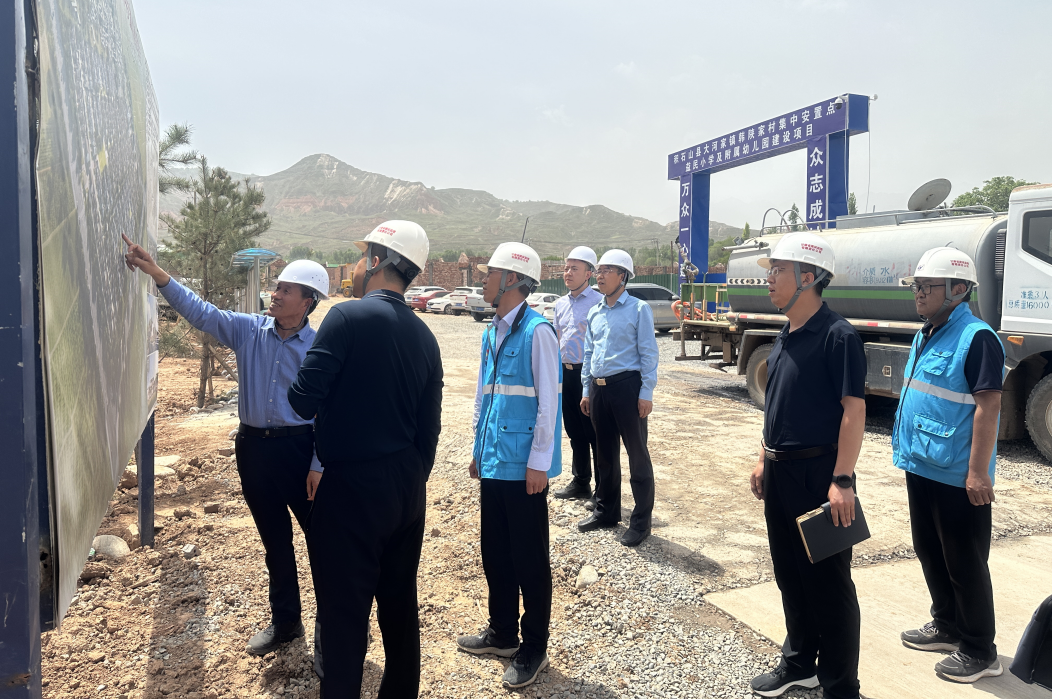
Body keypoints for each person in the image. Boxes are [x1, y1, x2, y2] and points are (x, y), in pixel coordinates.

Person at [122, 235, 329, 657]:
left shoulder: (320, 347)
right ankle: (286, 622)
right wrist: (157, 272)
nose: (276, 293)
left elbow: (329, 411)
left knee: (323, 542)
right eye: (277, 287)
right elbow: (201, 312)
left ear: (307, 301)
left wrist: (318, 463)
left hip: (299, 450)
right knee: (275, 541)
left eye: (286, 290)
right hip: (254, 450)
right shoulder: (248, 330)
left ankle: (333, 629)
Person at [287, 220, 443, 698]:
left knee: (344, 614)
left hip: (351, 487)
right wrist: (410, 478)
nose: (355, 267)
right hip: (406, 487)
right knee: (399, 605)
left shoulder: (345, 318)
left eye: (361, 257)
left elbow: (302, 401)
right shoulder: (425, 336)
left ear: (376, 261)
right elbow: (429, 428)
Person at [747, 232, 865, 699]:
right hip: (780, 473)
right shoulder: (785, 334)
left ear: (809, 277)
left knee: (829, 585)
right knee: (790, 575)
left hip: (819, 476)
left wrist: (842, 480)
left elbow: (853, 411)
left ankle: (840, 685)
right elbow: (777, 406)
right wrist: (763, 457)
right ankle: (800, 663)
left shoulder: (838, 335)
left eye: (778, 271)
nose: (769, 279)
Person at [894, 248, 1004, 684]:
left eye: (927, 286)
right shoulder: (928, 333)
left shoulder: (977, 338)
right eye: (916, 286)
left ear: (959, 290)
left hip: (958, 474)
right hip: (922, 463)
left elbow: (988, 406)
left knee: (964, 562)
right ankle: (947, 625)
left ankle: (980, 650)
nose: (918, 293)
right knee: (929, 550)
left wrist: (978, 472)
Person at [456, 242, 562, 690]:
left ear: (513, 280)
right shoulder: (490, 332)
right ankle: (502, 633)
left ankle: (534, 646)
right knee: (495, 552)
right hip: (494, 461)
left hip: (523, 468)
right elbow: (484, 395)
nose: (483, 280)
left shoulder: (538, 332)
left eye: (490, 274)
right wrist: (477, 449)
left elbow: (549, 403)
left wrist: (540, 462)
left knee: (529, 559)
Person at [576, 249, 659, 547]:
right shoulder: (595, 311)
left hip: (627, 388)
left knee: (637, 455)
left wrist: (646, 392)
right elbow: (588, 353)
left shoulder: (638, 309)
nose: (599, 276)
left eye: (606, 270)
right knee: (605, 455)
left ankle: (641, 522)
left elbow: (649, 353)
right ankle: (606, 512)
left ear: (622, 276)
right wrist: (587, 390)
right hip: (599, 389)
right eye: (598, 270)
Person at [552, 246, 602, 505]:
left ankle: (602, 490)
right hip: (565, 373)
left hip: (589, 374)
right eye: (566, 268)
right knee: (574, 430)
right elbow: (556, 339)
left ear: (589, 274)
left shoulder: (599, 303)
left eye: (574, 268)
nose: (568, 273)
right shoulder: (560, 304)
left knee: (594, 433)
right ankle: (581, 481)